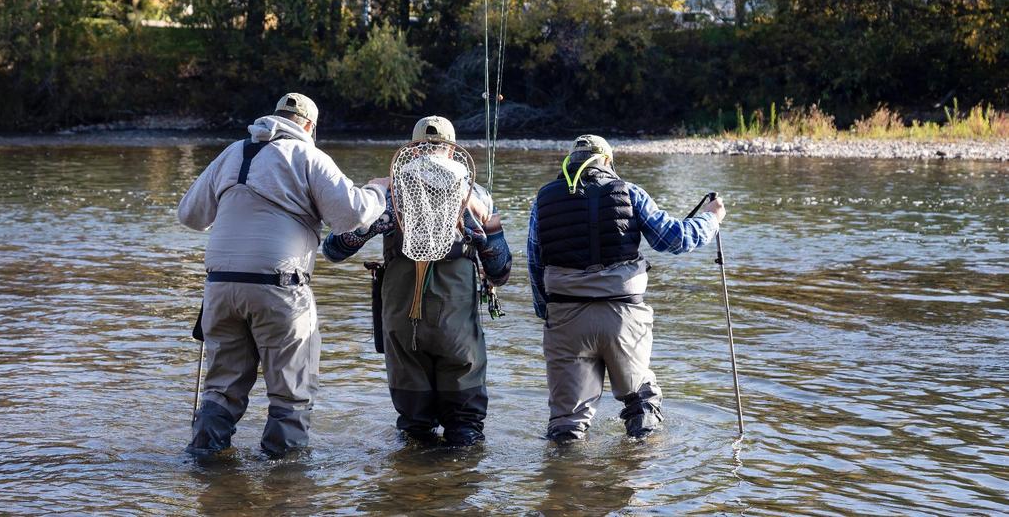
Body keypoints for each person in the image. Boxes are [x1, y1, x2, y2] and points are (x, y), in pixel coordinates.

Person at [178, 93, 388, 457]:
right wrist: (377, 191)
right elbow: (352, 215)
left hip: (220, 289)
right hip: (279, 287)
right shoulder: (308, 155)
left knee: (220, 389)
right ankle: (285, 485)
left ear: (274, 116)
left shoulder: (233, 152)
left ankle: (205, 471)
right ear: (309, 126)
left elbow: (190, 215)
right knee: (291, 392)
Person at [322, 116, 512, 446]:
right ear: (452, 152)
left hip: (402, 325)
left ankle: (412, 490)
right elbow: (500, 272)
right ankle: (456, 489)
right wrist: (489, 229)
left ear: (411, 151)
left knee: (414, 431)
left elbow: (334, 250)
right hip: (457, 326)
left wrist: (372, 194)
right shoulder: (475, 196)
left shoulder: (387, 195)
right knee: (465, 431)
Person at [526, 134, 726, 442]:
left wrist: (548, 313)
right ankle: (636, 474)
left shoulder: (544, 199)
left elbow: (535, 261)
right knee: (641, 404)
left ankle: (564, 482)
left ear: (571, 162)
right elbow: (674, 238)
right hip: (624, 318)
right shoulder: (631, 193)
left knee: (566, 424)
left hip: (565, 318)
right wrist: (711, 219)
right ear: (607, 162)